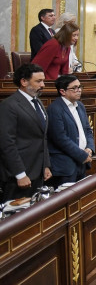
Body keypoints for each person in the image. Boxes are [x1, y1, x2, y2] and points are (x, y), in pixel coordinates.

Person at [0, 63, 52, 201]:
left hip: (38, 171)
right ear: (23, 81)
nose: (43, 85)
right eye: (38, 81)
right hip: (20, 175)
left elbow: (43, 137)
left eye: (43, 81)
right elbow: (6, 143)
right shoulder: (9, 105)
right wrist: (20, 174)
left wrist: (45, 165)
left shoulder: (37, 102)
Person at [46, 74, 94, 187]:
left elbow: (87, 129)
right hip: (66, 166)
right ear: (62, 91)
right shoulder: (55, 109)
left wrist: (89, 147)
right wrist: (82, 155)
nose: (79, 90)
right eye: (74, 88)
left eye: (80, 86)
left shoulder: (80, 106)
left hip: (82, 162)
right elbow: (60, 138)